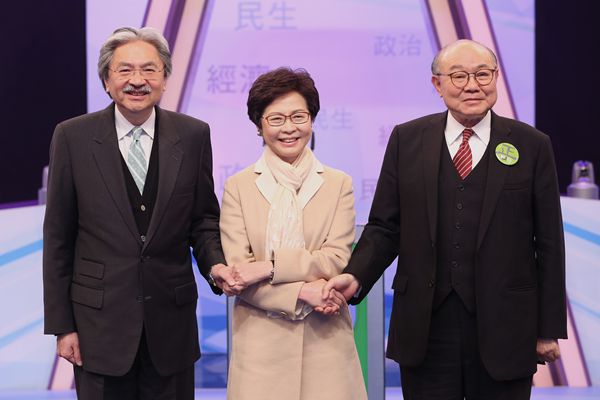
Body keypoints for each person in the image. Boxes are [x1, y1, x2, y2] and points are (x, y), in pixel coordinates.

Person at [324, 39, 567, 399]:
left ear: (496, 78)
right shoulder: (407, 140)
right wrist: (355, 275)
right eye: (458, 76)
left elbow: (549, 245)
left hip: (506, 326)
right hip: (425, 326)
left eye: (482, 74)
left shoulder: (532, 145)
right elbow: (385, 228)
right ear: (437, 84)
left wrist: (548, 329)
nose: (472, 85)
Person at [43, 27, 235, 399]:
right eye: (125, 70)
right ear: (106, 80)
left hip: (172, 325)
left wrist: (216, 265)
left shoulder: (193, 135)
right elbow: (58, 239)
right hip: (98, 328)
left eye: (149, 70)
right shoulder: (72, 137)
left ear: (164, 78)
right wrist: (63, 326)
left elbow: (203, 221)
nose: (137, 80)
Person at [218, 67, 367, 400]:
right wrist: (302, 292)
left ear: (312, 119)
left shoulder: (338, 183)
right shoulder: (239, 186)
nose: (289, 128)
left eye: (299, 116)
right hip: (260, 346)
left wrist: (269, 267)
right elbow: (240, 274)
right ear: (259, 125)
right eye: (276, 119)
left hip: (325, 340)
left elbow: (334, 260)